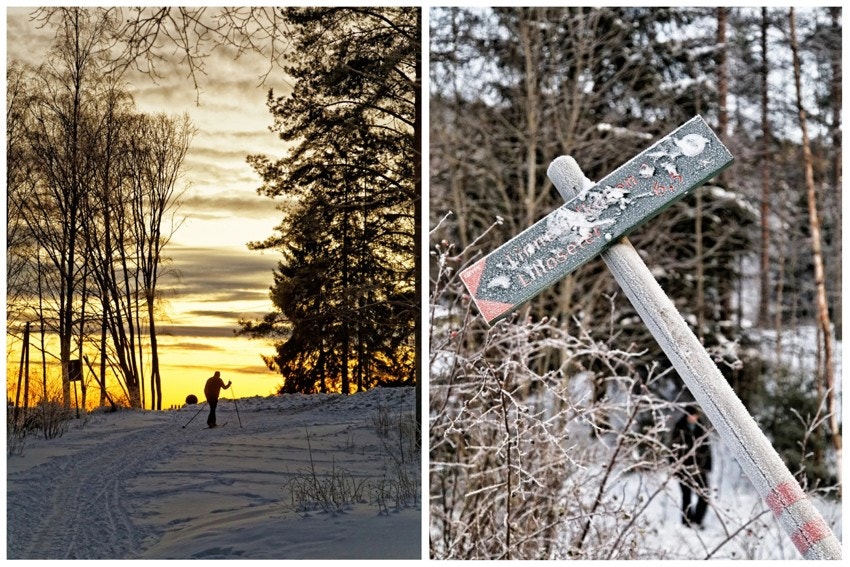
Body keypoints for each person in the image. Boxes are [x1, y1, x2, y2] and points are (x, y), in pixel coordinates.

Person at [671, 404, 712, 528]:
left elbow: (706, 448)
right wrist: (675, 467)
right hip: (683, 469)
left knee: (704, 495)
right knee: (686, 496)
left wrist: (706, 466)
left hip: (699, 469)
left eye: (695, 415)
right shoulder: (679, 428)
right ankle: (687, 522)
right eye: (691, 415)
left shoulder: (701, 428)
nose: (693, 418)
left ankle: (698, 520)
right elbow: (673, 449)